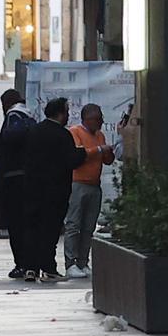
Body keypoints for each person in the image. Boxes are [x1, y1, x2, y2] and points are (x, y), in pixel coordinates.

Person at [23, 97, 87, 283]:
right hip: (55, 190)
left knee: (32, 228)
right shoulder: (62, 135)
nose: (68, 116)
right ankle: (48, 268)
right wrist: (82, 152)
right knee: (50, 230)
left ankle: (30, 268)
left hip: (33, 188)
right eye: (66, 112)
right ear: (60, 113)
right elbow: (71, 160)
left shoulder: (34, 131)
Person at [64, 104, 119, 279]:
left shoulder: (100, 135)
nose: (101, 122)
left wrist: (109, 152)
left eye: (101, 118)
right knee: (74, 224)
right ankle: (70, 262)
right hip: (78, 183)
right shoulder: (75, 132)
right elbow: (79, 155)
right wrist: (99, 150)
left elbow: (107, 160)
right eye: (97, 119)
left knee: (88, 226)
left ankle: (83, 261)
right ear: (87, 119)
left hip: (95, 184)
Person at [0, 89, 34, 278]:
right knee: (28, 224)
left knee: (16, 225)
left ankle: (21, 264)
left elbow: (10, 139)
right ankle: (31, 263)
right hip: (29, 178)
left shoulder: (14, 116)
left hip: (13, 179)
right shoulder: (29, 117)